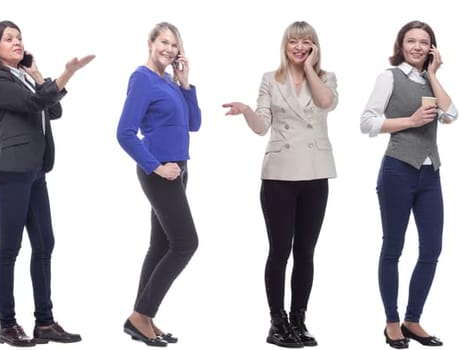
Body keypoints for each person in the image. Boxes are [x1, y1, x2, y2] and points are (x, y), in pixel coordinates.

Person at [221, 20, 338, 349]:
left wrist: (311, 68)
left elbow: (326, 103)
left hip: (315, 173)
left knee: (306, 253)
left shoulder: (326, 78)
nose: (298, 47)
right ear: (284, 46)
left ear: (314, 46)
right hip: (279, 177)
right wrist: (246, 111)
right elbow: (261, 127)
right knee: (279, 251)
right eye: (293, 42)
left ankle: (299, 320)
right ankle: (277, 323)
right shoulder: (270, 80)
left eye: (305, 42)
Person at [0, 20, 93, 347]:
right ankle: (7, 325)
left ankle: (44, 322)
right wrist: (66, 74)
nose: (17, 42)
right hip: (11, 171)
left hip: (36, 171)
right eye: (9, 38)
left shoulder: (25, 78)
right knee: (10, 248)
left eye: (19, 37)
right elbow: (35, 104)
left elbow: (52, 109)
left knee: (45, 245)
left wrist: (40, 76)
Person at [358, 20, 457, 349]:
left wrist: (433, 75)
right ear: (401, 45)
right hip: (398, 170)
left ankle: (413, 320)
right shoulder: (389, 77)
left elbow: (452, 114)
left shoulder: (431, 81)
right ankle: (391, 322)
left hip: (430, 174)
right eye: (410, 41)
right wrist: (410, 122)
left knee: (432, 249)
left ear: (432, 48)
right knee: (393, 247)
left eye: (423, 42)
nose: (416, 46)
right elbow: (367, 121)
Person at [116, 22, 201, 347]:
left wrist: (184, 83)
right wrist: (155, 166)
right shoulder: (142, 78)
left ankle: (143, 318)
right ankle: (140, 314)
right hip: (159, 173)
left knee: (162, 245)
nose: (169, 49)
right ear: (150, 42)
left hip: (178, 170)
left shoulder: (169, 82)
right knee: (186, 243)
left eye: (174, 45)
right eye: (164, 42)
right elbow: (124, 132)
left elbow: (194, 124)